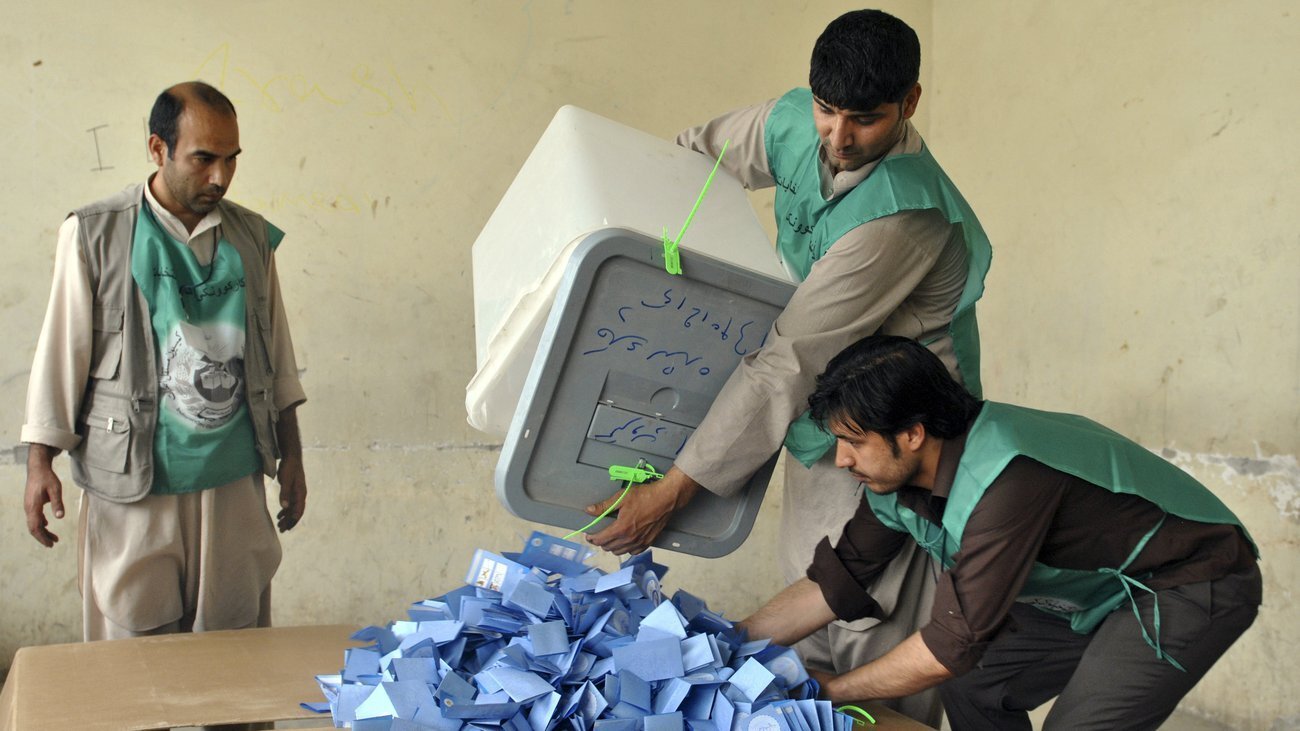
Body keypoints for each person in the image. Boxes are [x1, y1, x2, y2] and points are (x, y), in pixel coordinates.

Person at [583, 9, 992, 723]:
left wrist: (675, 487)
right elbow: (689, 165)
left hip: (900, 447)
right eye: (828, 111)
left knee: (872, 648)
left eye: (864, 119)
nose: (837, 138)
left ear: (911, 103)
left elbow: (790, 360)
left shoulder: (900, 216)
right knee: (807, 617)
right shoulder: (792, 121)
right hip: (825, 425)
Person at [739, 335, 1261, 731]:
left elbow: (950, 643)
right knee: (977, 685)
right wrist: (728, 642)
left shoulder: (1006, 479)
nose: (841, 459)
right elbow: (838, 579)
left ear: (912, 434)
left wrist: (831, 692)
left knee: (1079, 722)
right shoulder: (894, 482)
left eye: (854, 441)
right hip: (1090, 594)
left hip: (1185, 581)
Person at [21, 81, 307, 648]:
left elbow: (277, 356)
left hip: (232, 479)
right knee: (134, 649)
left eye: (231, 160)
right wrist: (38, 465)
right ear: (158, 148)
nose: (220, 177)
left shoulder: (251, 237)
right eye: (204, 158)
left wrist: (293, 454)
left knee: (233, 650)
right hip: (133, 481)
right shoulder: (95, 234)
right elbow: (62, 351)